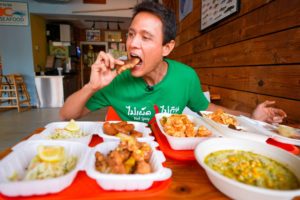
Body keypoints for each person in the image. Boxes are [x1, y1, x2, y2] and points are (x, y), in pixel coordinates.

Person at [60, 1, 286, 124]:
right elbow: (67, 115)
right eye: (131, 34)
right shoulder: (115, 79)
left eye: (146, 37)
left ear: (167, 47)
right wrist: (92, 86)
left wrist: (251, 117)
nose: (132, 44)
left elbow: (209, 109)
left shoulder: (186, 76)